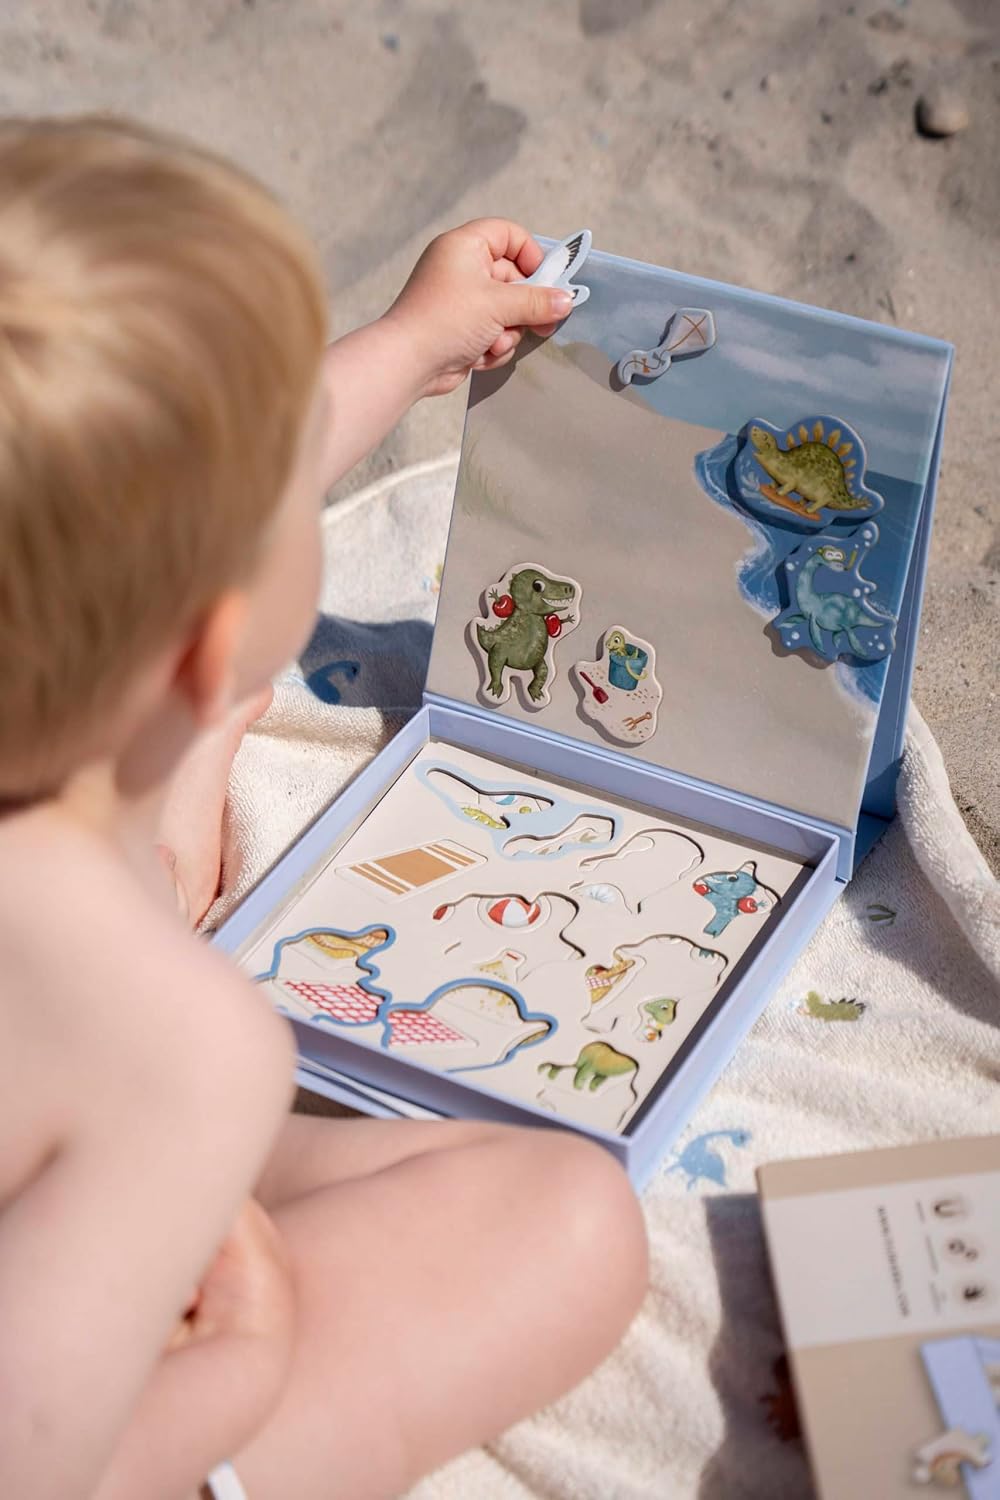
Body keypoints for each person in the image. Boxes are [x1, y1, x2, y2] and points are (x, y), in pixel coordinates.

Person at [0, 116, 648, 1500]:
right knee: (573, 1221)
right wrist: (229, 1374)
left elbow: (175, 493)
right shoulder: (187, 1051)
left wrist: (410, 344)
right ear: (212, 647)